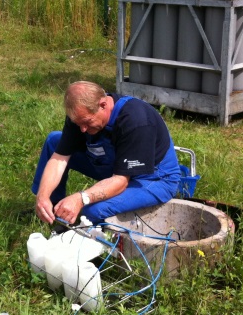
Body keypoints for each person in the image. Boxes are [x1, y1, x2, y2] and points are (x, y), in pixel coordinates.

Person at [32, 81, 181, 227]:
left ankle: (100, 239)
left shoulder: (136, 120)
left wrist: (81, 198)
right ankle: (50, 210)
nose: (82, 129)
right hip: (116, 164)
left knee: (92, 211)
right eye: (78, 124)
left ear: (103, 104)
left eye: (87, 122)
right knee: (54, 141)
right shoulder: (80, 115)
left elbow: (120, 181)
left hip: (153, 178)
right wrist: (42, 195)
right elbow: (59, 159)